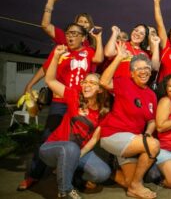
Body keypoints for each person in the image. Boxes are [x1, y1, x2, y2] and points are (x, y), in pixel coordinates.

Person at [18, 23, 104, 191]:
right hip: (60, 101)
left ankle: (74, 178)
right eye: (67, 33)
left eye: (74, 33)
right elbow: (46, 70)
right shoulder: (60, 51)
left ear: (83, 38)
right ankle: (33, 176)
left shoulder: (88, 52)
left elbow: (99, 59)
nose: (69, 36)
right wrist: (30, 84)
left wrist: (98, 39)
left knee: (76, 140)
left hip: (79, 101)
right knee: (48, 136)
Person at [39, 45, 111, 199]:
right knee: (70, 147)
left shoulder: (103, 111)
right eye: (85, 82)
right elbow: (50, 80)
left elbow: (94, 139)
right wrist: (56, 57)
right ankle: (65, 191)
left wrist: (79, 155)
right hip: (52, 148)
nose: (86, 85)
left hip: (79, 151)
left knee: (103, 173)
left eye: (92, 83)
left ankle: (71, 173)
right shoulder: (73, 96)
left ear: (100, 89)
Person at [99, 43, 160, 199]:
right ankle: (136, 186)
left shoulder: (151, 95)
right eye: (139, 69)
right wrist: (119, 57)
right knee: (153, 145)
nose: (144, 71)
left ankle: (110, 174)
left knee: (129, 180)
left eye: (146, 68)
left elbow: (152, 120)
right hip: (113, 134)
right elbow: (104, 82)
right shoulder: (124, 82)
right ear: (132, 73)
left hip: (133, 140)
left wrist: (147, 133)